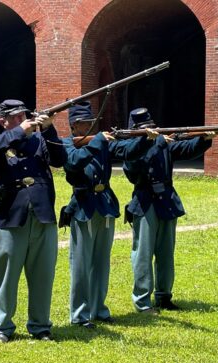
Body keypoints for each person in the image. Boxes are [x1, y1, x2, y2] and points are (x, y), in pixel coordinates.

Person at [60, 101, 157, 328]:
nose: (91, 125)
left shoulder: (100, 142)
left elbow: (126, 151)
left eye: (92, 122)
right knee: (81, 265)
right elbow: (74, 163)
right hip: (83, 206)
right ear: (75, 126)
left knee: (102, 262)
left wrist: (145, 139)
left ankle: (98, 309)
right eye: (86, 123)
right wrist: (98, 142)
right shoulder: (68, 144)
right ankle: (80, 314)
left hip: (105, 205)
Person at [0, 99, 66, 343]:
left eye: (24, 115)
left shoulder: (40, 140)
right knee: (6, 276)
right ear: (4, 121)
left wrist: (49, 128)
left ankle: (40, 326)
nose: (22, 119)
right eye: (16, 117)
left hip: (42, 215)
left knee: (42, 276)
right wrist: (20, 130)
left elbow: (60, 159)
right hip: (11, 216)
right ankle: (1, 325)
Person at [123, 107, 216, 314]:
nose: (151, 131)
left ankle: (164, 296)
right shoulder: (131, 147)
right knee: (143, 254)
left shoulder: (161, 142)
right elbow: (133, 173)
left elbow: (185, 148)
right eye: (145, 129)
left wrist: (203, 139)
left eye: (152, 128)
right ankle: (142, 301)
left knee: (166, 253)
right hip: (145, 201)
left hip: (166, 200)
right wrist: (148, 143)